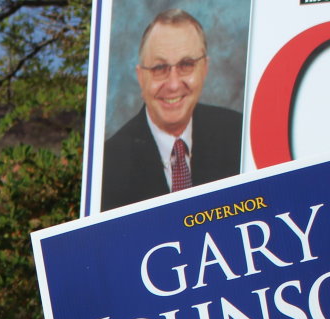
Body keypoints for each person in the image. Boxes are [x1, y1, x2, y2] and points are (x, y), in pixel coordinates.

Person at [100, 8, 242, 211]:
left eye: (186, 64)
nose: (174, 84)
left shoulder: (238, 133)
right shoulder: (109, 166)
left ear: (205, 70)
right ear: (141, 77)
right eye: (159, 68)